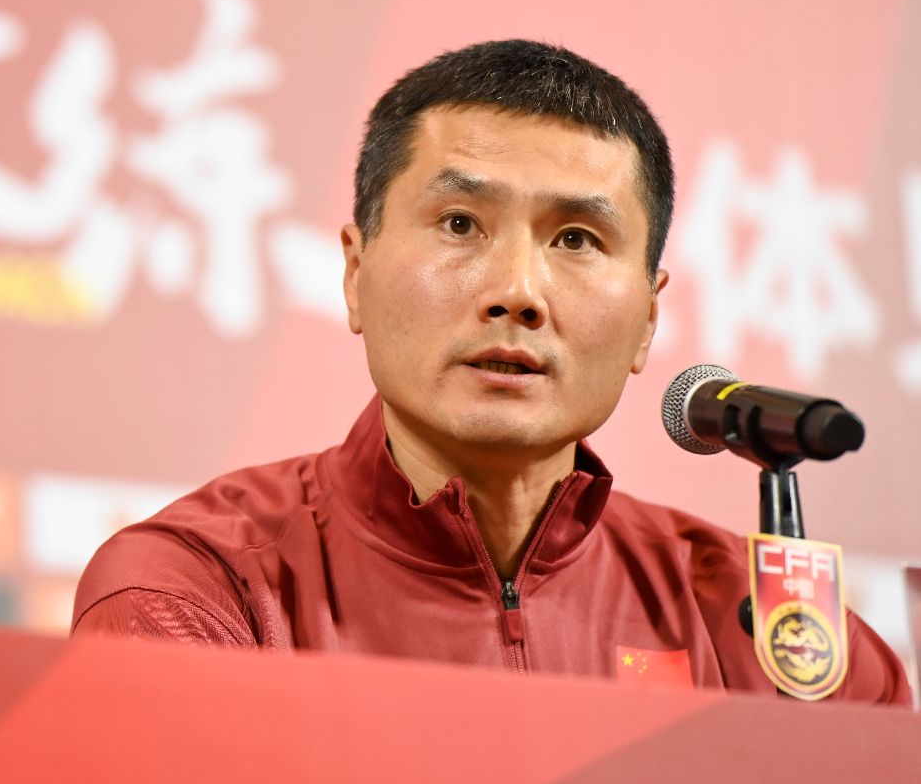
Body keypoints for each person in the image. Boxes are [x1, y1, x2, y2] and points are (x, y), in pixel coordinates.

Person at [72, 40, 911, 703]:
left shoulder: (769, 636)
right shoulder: (203, 587)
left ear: (649, 318)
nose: (518, 291)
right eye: (461, 223)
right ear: (355, 273)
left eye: (576, 239)